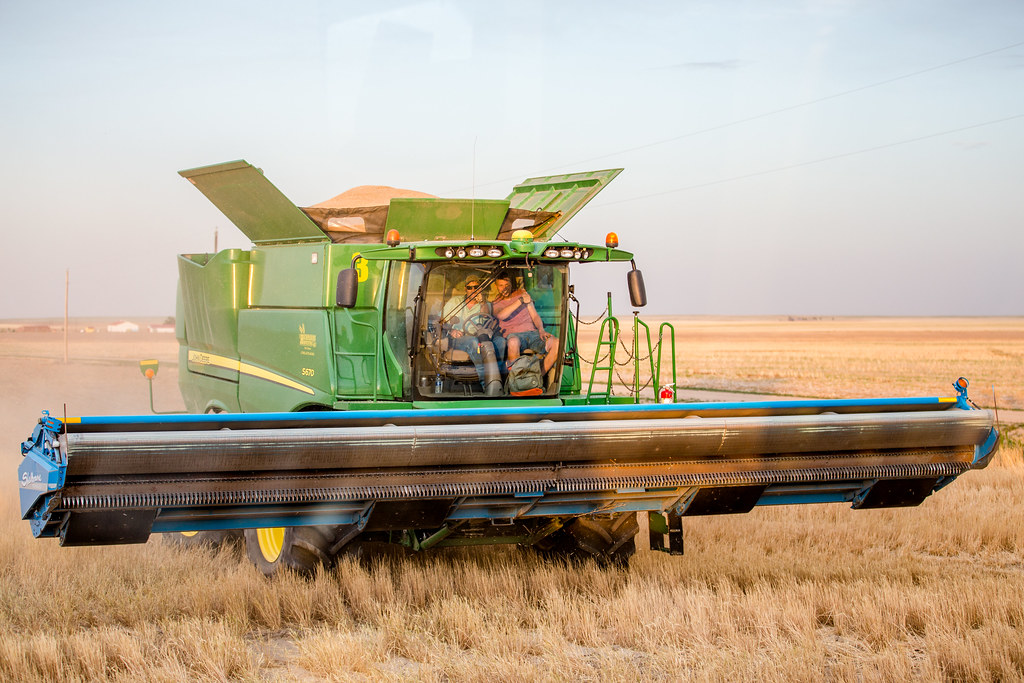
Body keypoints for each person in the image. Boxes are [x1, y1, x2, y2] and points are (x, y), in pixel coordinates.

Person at [442, 277, 506, 392]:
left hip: (482, 336)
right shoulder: (455, 302)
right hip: (460, 338)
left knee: (501, 342)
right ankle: (486, 383)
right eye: (469, 288)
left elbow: (487, 316)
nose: (473, 290)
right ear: (465, 289)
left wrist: (482, 302)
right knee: (475, 343)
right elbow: (441, 321)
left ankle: (500, 380)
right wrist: (452, 331)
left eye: (476, 287)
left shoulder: (486, 304)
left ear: (480, 289)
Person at [491, 273, 558, 374]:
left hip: (532, 334)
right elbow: (501, 315)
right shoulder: (496, 303)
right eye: (501, 285)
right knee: (512, 342)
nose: (504, 288)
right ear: (496, 286)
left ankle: (540, 375)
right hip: (514, 336)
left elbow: (534, 316)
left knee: (557, 343)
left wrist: (541, 330)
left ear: (511, 284)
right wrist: (520, 300)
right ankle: (517, 380)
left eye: (507, 285)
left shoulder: (522, 294)